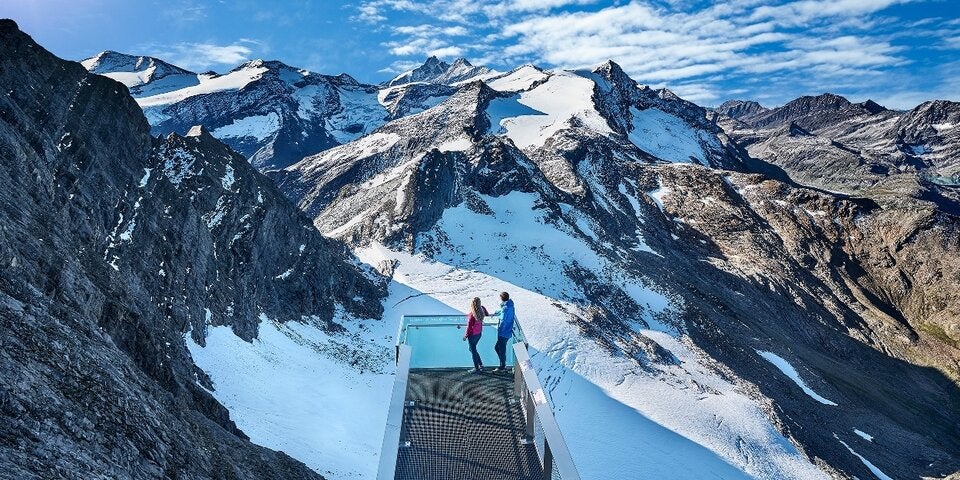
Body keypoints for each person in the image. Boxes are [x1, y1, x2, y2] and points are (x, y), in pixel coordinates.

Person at [490, 292, 515, 373]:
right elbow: (501, 311)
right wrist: (497, 312)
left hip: (503, 332)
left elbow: (503, 319)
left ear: (501, 298)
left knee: (500, 348)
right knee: (499, 348)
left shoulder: (505, 308)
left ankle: (502, 367)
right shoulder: (510, 306)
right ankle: (503, 365)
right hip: (508, 331)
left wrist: (501, 328)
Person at [463, 297, 488, 373]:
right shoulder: (482, 309)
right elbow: (487, 314)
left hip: (472, 335)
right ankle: (480, 365)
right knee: (472, 349)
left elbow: (469, 327)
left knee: (473, 350)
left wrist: (465, 336)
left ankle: (477, 368)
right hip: (479, 334)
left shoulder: (472, 315)